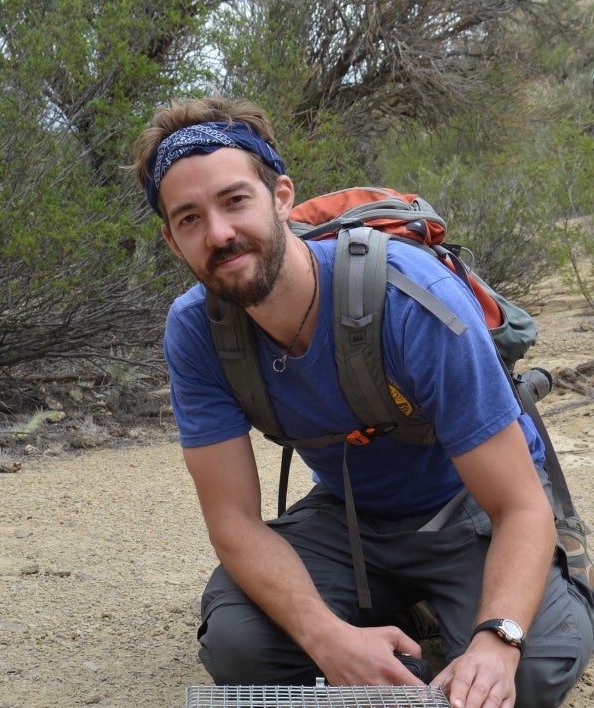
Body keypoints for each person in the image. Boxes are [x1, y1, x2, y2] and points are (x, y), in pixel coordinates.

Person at [132, 96, 593, 708]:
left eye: (235, 200)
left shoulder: (409, 299)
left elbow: (519, 506)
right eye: (190, 218)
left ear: (281, 197)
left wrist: (498, 640)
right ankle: (399, 606)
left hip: (468, 508)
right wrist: (327, 639)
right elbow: (234, 521)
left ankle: (545, 589)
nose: (218, 233)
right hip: (351, 515)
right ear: (172, 240)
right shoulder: (197, 331)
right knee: (241, 649)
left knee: (526, 677)